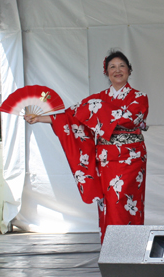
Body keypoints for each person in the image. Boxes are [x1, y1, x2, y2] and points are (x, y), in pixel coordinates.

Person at [24, 50, 149, 242]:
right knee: (108, 203)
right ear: (106, 73)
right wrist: (40, 118)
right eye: (112, 67)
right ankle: (111, 250)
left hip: (131, 158)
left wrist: (97, 108)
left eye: (122, 66)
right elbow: (71, 117)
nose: (117, 70)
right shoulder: (97, 98)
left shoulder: (139, 97)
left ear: (129, 70)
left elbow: (129, 119)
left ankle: (129, 248)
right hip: (106, 159)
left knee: (124, 200)